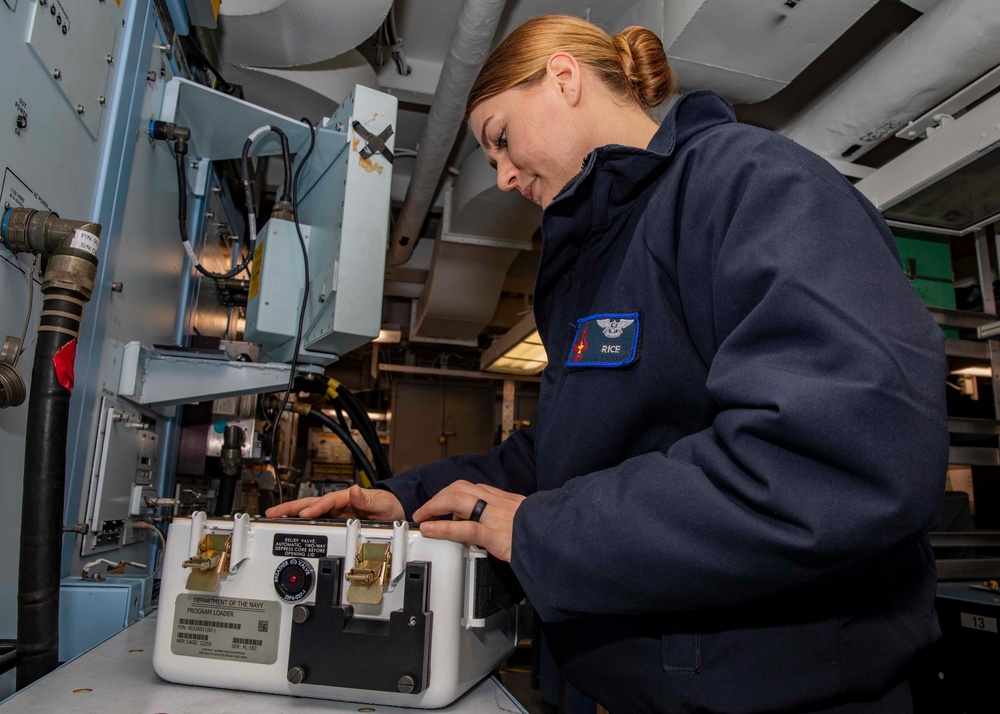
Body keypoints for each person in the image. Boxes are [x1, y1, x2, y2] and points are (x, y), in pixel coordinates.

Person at [268, 14, 948, 713]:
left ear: (563, 78)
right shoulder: (591, 261)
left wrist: (539, 531)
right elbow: (570, 452)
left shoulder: (750, 185)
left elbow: (836, 460)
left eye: (500, 138)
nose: (501, 177)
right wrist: (409, 501)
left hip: (784, 695)